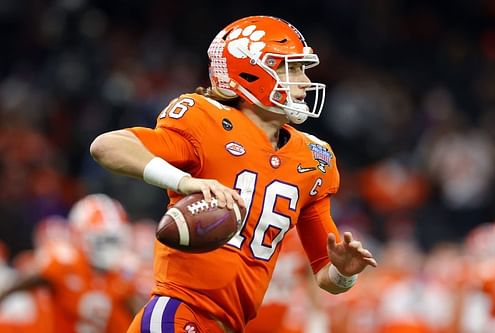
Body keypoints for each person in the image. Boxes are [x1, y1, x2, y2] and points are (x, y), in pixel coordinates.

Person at [90, 15, 377, 333]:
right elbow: (107, 146)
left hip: (229, 325)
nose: (305, 82)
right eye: (292, 68)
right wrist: (184, 181)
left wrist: (344, 272)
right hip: (179, 312)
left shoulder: (313, 158)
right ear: (252, 71)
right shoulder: (206, 121)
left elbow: (326, 275)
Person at [0, 193, 141, 333]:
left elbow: (138, 312)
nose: (109, 248)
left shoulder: (124, 272)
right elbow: (24, 282)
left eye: (114, 240)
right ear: (80, 235)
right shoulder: (64, 261)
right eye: (103, 240)